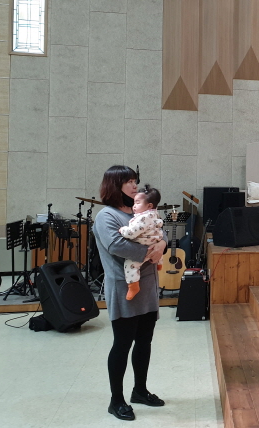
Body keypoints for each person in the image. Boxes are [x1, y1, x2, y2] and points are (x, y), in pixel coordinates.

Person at [93, 165, 167, 421]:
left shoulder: (140, 211)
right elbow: (116, 245)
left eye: (135, 181)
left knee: (144, 341)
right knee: (122, 344)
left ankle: (140, 391)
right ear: (115, 185)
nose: (135, 186)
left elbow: (158, 231)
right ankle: (116, 400)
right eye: (129, 182)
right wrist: (152, 251)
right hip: (124, 286)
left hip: (148, 285)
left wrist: (162, 243)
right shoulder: (106, 216)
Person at [119, 186, 164, 301]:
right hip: (154, 243)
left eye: (137, 203)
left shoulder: (143, 218)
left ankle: (133, 286)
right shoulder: (154, 214)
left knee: (130, 264)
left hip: (144, 247)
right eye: (134, 202)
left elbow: (131, 233)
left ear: (149, 206)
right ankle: (159, 262)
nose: (134, 206)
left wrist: (123, 230)